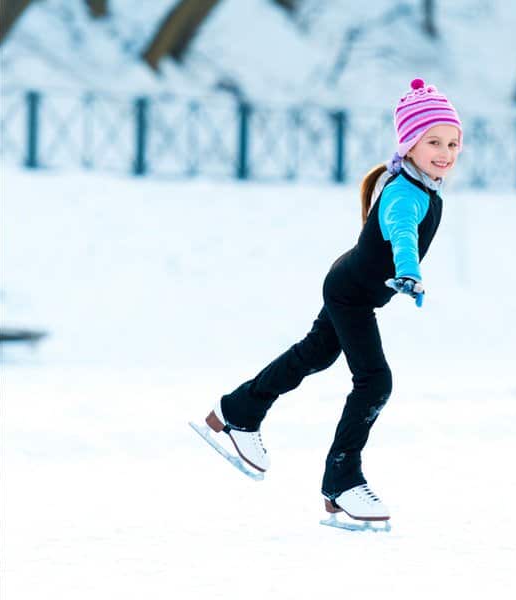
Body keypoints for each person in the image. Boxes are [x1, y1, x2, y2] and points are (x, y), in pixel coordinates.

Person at [197, 78, 462, 526]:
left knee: (315, 354)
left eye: (452, 143)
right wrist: (409, 272)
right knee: (375, 382)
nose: (445, 152)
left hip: (351, 286)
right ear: (409, 144)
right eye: (433, 141)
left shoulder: (424, 188)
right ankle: (342, 482)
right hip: (351, 294)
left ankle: (238, 411)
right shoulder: (405, 193)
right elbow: (402, 233)